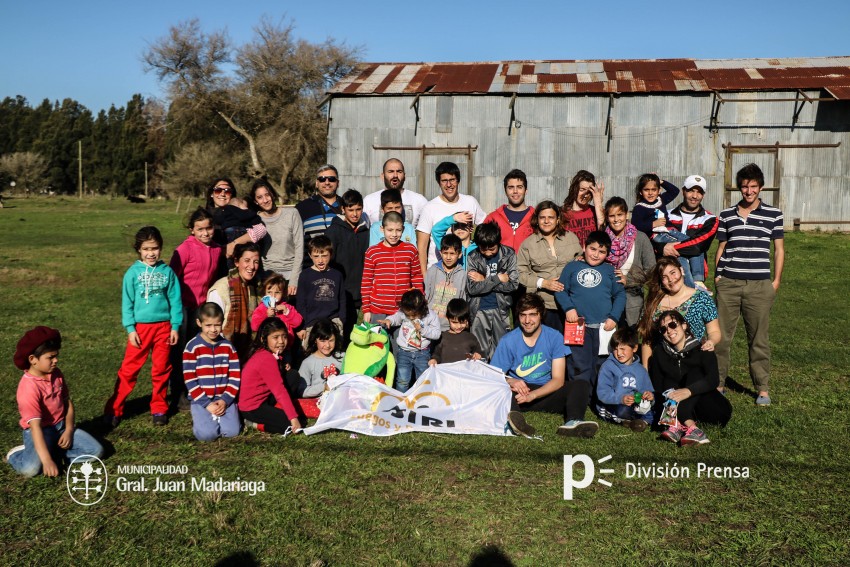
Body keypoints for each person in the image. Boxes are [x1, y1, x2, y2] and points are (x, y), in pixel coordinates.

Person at [714, 163, 784, 405]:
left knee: (758, 339)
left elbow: (779, 250)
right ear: (739, 188)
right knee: (720, 337)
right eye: (744, 186)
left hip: (759, 286)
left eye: (753, 186)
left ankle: (762, 388)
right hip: (729, 284)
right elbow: (721, 247)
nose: (749, 191)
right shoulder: (726, 215)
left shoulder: (774, 214)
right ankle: (718, 383)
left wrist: (775, 282)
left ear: (760, 187)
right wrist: (718, 277)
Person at [490, 293, 598, 438]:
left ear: (541, 315)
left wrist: (533, 395)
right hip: (519, 394)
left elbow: (558, 380)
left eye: (532, 315)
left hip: (545, 391)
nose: (527, 321)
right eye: (523, 315)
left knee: (581, 385)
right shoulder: (508, 340)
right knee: (502, 390)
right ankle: (515, 422)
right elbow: (493, 375)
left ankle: (573, 422)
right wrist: (511, 380)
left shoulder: (554, 337)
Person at [105, 226, 182, 427]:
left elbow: (175, 301)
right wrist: (130, 329)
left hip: (164, 328)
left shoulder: (167, 272)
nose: (151, 253)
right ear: (139, 249)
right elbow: (127, 303)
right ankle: (114, 409)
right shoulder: (132, 273)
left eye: (154, 248)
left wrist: (175, 326)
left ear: (160, 248)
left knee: (161, 369)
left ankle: (159, 408)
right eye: (146, 249)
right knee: (129, 370)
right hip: (140, 330)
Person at [7, 327, 103, 478]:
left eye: (56, 356)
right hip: (39, 432)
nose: (56, 360)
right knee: (30, 470)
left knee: (96, 451)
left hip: (61, 427)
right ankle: (16, 455)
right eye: (50, 357)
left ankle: (53, 454)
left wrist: (69, 430)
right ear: (32, 359)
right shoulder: (28, 388)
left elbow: (67, 403)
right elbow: (35, 427)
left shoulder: (56, 374)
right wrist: (46, 461)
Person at [168, 207, 226, 408]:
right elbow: (171, 278)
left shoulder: (217, 249)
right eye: (200, 229)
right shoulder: (184, 249)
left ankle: (196, 388)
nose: (205, 233)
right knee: (180, 351)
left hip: (202, 308)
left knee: (197, 349)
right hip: (182, 307)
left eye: (208, 228)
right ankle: (177, 393)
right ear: (192, 230)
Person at [650, 310, 732, 445]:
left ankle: (680, 423)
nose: (669, 331)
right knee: (668, 381)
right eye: (663, 329)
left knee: (695, 373)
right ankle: (687, 427)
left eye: (672, 325)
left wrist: (688, 391)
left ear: (684, 326)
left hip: (711, 408)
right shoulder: (659, 353)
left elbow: (713, 380)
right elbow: (658, 384)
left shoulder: (703, 348)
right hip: (685, 407)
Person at [555, 231, 625, 387]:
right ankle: (579, 395)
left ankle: (600, 396)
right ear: (584, 247)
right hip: (578, 326)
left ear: (607, 254)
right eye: (592, 249)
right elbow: (560, 290)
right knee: (579, 365)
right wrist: (568, 308)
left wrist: (614, 317)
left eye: (601, 252)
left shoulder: (610, 271)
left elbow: (620, 295)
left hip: (604, 327)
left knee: (603, 365)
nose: (596, 254)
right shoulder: (572, 267)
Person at [638, 257, 720, 369]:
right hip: (662, 365)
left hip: (693, 362)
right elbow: (647, 339)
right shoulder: (654, 302)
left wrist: (711, 341)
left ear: (681, 270)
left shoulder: (702, 298)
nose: (671, 279)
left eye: (673, 273)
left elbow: (714, 331)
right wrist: (645, 371)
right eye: (665, 277)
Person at [517, 200, 581, 332]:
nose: (546, 221)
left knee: (572, 342)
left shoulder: (571, 238)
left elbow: (582, 262)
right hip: (545, 304)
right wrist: (543, 283)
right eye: (542, 217)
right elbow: (520, 274)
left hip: (573, 302)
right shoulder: (528, 244)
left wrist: (581, 261)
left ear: (558, 219)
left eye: (551, 217)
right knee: (548, 342)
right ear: (537, 220)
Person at [182, 303, 241, 442]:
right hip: (201, 399)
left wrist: (225, 400)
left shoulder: (228, 347)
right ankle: (202, 418)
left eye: (217, 325)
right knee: (207, 436)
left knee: (232, 432)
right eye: (208, 325)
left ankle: (221, 417)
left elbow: (235, 377)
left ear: (222, 322)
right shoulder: (192, 347)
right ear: (199, 323)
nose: (213, 330)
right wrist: (207, 404)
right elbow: (190, 380)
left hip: (224, 398)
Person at [416, 161, 486, 274]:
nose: (449, 184)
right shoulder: (429, 207)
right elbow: (422, 248)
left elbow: (486, 229)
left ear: (458, 180)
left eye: (452, 180)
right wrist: (425, 278)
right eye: (444, 181)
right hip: (439, 274)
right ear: (439, 183)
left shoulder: (470, 202)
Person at [238, 318, 303, 435]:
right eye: (275, 337)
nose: (281, 341)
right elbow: (279, 390)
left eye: (284, 336)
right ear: (263, 339)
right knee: (289, 425)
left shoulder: (265, 352)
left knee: (292, 376)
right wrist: (293, 418)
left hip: (264, 397)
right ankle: (252, 423)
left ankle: (277, 411)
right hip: (252, 407)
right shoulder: (266, 358)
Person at [466, 222, 519, 359]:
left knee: (501, 351)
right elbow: (472, 289)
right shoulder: (473, 256)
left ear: (498, 242)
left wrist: (484, 279)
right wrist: (497, 278)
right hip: (479, 310)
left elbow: (513, 284)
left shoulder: (509, 254)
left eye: (492, 249)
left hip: (501, 310)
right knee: (479, 353)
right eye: (483, 249)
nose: (488, 253)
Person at [361, 212, 425, 325]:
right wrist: (366, 309)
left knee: (402, 337)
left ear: (403, 229)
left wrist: (419, 300)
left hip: (404, 310)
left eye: (398, 230)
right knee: (378, 337)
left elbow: (416, 277)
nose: (394, 234)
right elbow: (367, 281)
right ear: (382, 229)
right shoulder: (372, 252)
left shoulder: (410, 250)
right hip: (378, 310)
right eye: (390, 230)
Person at [603, 197, 656, 328]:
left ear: (627, 215)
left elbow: (651, 269)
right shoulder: (602, 239)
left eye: (620, 214)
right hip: (607, 299)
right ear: (607, 218)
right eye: (612, 216)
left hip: (632, 300)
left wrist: (629, 280)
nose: (616, 219)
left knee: (630, 336)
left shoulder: (641, 238)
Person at [325, 188, 370, 342]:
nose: (355, 214)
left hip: (363, 294)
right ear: (343, 209)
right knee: (343, 336)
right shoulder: (333, 231)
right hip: (342, 294)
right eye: (351, 210)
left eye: (358, 209)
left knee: (363, 337)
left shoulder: (367, 231)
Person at [207, 242, 262, 363]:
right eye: (247, 260)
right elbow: (210, 326)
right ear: (237, 262)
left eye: (256, 262)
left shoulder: (257, 288)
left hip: (249, 351)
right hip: (221, 352)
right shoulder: (221, 289)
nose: (252, 266)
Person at [662, 175, 718, 295]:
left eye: (699, 192)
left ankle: (697, 283)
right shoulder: (667, 215)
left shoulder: (710, 219)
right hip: (665, 279)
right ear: (683, 191)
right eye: (691, 190)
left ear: (703, 195)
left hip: (693, 277)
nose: (695, 196)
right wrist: (661, 247)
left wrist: (667, 248)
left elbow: (697, 246)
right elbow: (654, 238)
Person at [376, 289, 441, 392]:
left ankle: (421, 398)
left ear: (422, 309)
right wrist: (389, 320)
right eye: (408, 315)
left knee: (422, 380)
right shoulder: (404, 312)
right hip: (404, 353)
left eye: (413, 315)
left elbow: (437, 334)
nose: (410, 317)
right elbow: (397, 317)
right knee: (402, 381)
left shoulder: (431, 316)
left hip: (422, 353)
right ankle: (401, 399)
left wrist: (423, 329)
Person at [249, 180, 303, 296]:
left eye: (267, 195)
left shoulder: (292, 214)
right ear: (255, 201)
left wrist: (294, 279)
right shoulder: (255, 220)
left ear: (273, 195)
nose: (265, 200)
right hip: (266, 279)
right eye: (260, 197)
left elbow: (299, 247)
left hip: (290, 277)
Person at [595, 327, 654, 431]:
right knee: (622, 411)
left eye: (622, 349)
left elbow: (648, 390)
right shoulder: (608, 366)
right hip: (615, 404)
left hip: (634, 405)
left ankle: (637, 422)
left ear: (634, 348)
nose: (619, 353)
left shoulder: (641, 370)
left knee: (651, 410)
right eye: (615, 349)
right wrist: (621, 399)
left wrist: (649, 396)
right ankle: (636, 421)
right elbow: (603, 393)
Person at [295, 236, 345, 349]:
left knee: (334, 351)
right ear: (310, 255)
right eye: (316, 256)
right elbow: (301, 302)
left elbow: (342, 299)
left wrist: (342, 320)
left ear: (331, 254)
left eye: (324, 256)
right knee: (311, 353)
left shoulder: (337, 275)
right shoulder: (305, 275)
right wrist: (302, 326)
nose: (320, 260)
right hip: (311, 324)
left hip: (333, 321)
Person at [205, 178, 267, 259]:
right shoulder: (205, 215)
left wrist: (233, 245)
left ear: (232, 195)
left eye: (227, 191)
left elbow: (261, 229)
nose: (222, 194)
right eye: (218, 190)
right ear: (212, 194)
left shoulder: (242, 211)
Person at [295, 165, 343, 264]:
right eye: (322, 179)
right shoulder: (302, 208)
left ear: (338, 183)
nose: (327, 182)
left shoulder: (347, 206)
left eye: (331, 179)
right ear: (317, 183)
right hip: (311, 268)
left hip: (341, 268)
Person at [363, 158, 428, 227]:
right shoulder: (369, 201)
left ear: (404, 176)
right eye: (390, 171)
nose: (395, 175)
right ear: (382, 176)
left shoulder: (419, 201)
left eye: (399, 171)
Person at [483, 169, 535, 252]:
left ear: (526, 190)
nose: (515, 191)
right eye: (511, 187)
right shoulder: (493, 218)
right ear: (505, 191)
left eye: (519, 187)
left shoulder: (536, 217)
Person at [425, 233, 467, 332]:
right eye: (445, 253)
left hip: (450, 327)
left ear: (459, 254)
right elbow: (426, 295)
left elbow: (462, 300)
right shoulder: (432, 271)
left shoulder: (462, 274)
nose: (448, 257)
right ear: (440, 253)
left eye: (452, 253)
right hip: (429, 324)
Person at [250, 273, 302, 348]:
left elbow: (298, 323)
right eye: (269, 292)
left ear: (283, 293)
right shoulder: (262, 308)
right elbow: (254, 326)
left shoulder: (287, 307)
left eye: (277, 292)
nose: (273, 296)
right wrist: (266, 316)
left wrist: (287, 312)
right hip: (267, 347)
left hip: (285, 346)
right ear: (264, 293)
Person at [297, 318, 345, 398]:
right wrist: (324, 387)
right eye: (323, 341)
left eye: (331, 340)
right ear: (315, 340)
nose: (327, 345)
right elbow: (302, 391)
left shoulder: (342, 357)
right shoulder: (307, 363)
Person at [428, 298, 484, 365]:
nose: (459, 326)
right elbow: (436, 354)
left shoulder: (470, 337)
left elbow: (479, 352)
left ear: (467, 320)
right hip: (446, 371)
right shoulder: (441, 337)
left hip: (464, 371)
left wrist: (478, 355)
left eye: (462, 322)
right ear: (447, 318)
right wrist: (434, 360)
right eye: (454, 322)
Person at [561, 170, 605, 247]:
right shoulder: (563, 213)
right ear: (574, 189)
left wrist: (598, 204)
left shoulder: (596, 211)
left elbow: (603, 234)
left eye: (589, 192)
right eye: (582, 190)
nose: (585, 195)